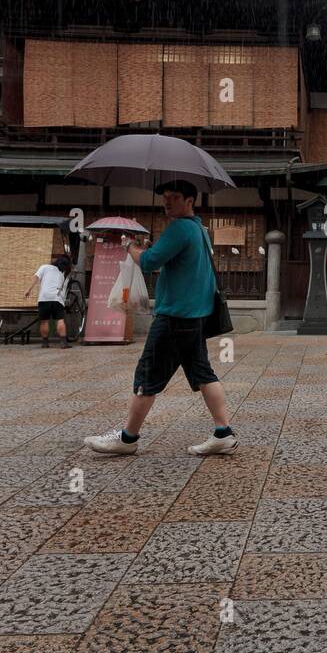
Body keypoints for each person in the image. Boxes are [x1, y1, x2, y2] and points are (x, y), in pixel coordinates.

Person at [84, 180, 234, 457]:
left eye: (174, 197)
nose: (167, 202)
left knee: (147, 375)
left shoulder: (179, 228)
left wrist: (129, 246)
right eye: (165, 197)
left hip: (174, 317)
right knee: (203, 374)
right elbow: (166, 258)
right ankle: (223, 432)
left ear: (190, 201)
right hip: (196, 316)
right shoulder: (199, 229)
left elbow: (150, 262)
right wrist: (150, 249)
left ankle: (127, 438)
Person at [25, 254, 73, 348]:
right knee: (60, 320)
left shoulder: (45, 267)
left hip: (44, 298)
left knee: (44, 321)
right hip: (57, 299)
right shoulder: (61, 275)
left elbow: (36, 277)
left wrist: (28, 289)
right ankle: (63, 342)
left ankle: (45, 343)